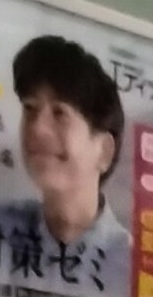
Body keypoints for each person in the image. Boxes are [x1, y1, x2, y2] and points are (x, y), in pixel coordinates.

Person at [10, 34, 125, 251]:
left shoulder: (130, 266)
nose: (37, 128)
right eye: (30, 109)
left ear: (104, 152)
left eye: (59, 113)